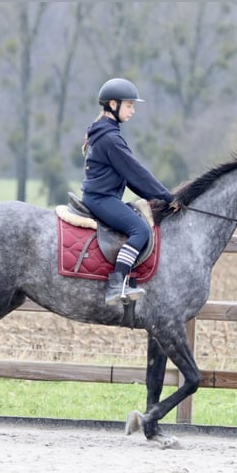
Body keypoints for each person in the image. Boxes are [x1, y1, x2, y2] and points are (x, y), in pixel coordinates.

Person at [81, 77, 179, 306]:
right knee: (139, 230)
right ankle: (116, 284)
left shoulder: (105, 133)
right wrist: (168, 197)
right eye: (129, 105)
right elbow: (137, 172)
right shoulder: (110, 139)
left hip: (101, 196)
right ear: (113, 105)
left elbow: (129, 176)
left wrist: (156, 197)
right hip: (101, 199)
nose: (133, 111)